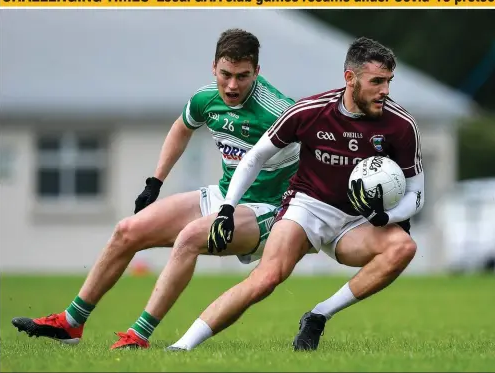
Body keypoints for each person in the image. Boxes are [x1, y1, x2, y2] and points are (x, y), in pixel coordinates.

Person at [11, 29, 299, 348]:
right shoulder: (206, 99)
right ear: (213, 66)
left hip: (271, 209)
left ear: (257, 72)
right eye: (225, 74)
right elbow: (181, 128)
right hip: (224, 195)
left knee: (189, 237)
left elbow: (319, 152)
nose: (232, 86)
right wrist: (155, 181)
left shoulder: (279, 112)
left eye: (242, 77)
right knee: (127, 231)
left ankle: (139, 335)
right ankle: (70, 323)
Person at [164, 36, 425, 352]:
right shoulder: (310, 111)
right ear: (350, 78)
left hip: (357, 222)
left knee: (403, 247)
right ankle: (183, 345)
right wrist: (227, 208)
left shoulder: (400, 124)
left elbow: (415, 192)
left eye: (388, 82)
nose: (385, 90)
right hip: (307, 207)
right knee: (266, 279)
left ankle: (318, 315)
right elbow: (255, 157)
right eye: (377, 82)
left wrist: (386, 216)